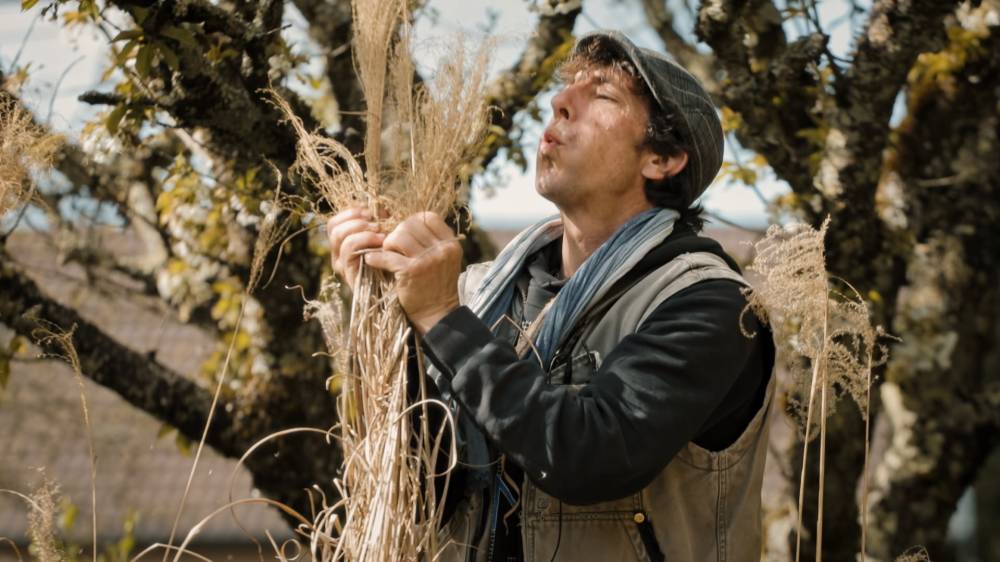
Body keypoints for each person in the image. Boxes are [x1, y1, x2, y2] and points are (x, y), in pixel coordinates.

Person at [327, 31, 775, 562]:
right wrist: (386, 319)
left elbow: (590, 455)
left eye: (603, 95)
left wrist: (441, 319)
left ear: (662, 158)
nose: (560, 103)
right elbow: (429, 489)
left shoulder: (712, 304)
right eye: (567, 90)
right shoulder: (480, 292)